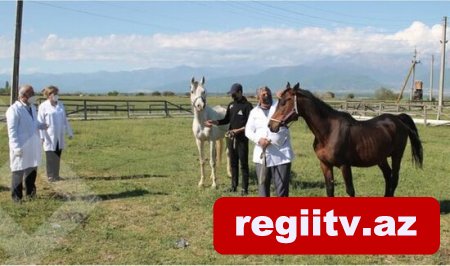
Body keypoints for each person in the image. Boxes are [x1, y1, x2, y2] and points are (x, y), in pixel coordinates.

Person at [245, 86, 294, 197]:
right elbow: (248, 131)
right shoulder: (254, 112)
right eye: (263, 94)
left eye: (268, 93)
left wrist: (284, 96)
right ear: (258, 97)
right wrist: (259, 140)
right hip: (262, 155)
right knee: (263, 187)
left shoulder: (280, 106)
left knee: (281, 189)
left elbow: (285, 126)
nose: (266, 95)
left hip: (281, 154)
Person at [205, 83, 253, 195]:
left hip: (242, 139)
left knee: (243, 164)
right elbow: (226, 120)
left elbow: (250, 124)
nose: (232, 96)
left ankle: (244, 188)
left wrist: (238, 130)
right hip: (231, 138)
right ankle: (233, 186)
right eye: (231, 94)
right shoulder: (231, 105)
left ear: (240, 92)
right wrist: (214, 122)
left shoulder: (247, 106)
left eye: (234, 93)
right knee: (233, 163)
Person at [6, 84, 47, 202]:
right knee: (18, 171)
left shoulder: (32, 108)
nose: (34, 96)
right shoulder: (14, 110)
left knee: (32, 170)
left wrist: (40, 125)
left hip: (32, 145)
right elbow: (12, 131)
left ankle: (31, 194)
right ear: (23, 95)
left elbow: (32, 124)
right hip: (21, 145)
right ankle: (17, 198)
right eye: (31, 94)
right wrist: (16, 147)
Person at [38, 85, 73, 182]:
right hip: (49, 135)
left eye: (56, 93)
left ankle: (56, 175)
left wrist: (69, 132)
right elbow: (40, 122)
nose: (55, 95)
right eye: (53, 93)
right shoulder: (43, 106)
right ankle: (50, 175)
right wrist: (41, 136)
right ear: (48, 95)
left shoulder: (60, 105)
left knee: (57, 154)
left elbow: (65, 119)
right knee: (50, 156)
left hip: (59, 134)